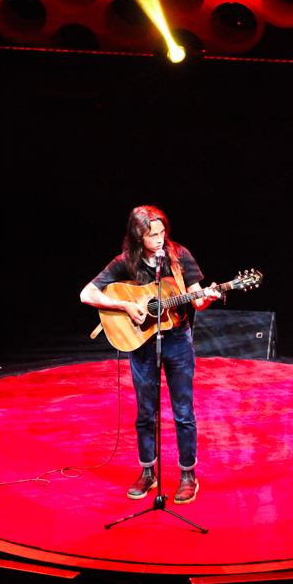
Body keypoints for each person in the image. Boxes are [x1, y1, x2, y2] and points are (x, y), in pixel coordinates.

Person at [80, 206, 221, 505]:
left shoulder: (179, 255)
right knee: (145, 413)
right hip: (143, 344)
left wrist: (206, 297)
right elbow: (87, 294)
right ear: (137, 236)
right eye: (151, 235)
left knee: (183, 412)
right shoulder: (124, 262)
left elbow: (195, 301)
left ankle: (188, 475)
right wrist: (127, 307)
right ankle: (148, 472)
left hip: (178, 340)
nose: (159, 239)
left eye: (162, 233)